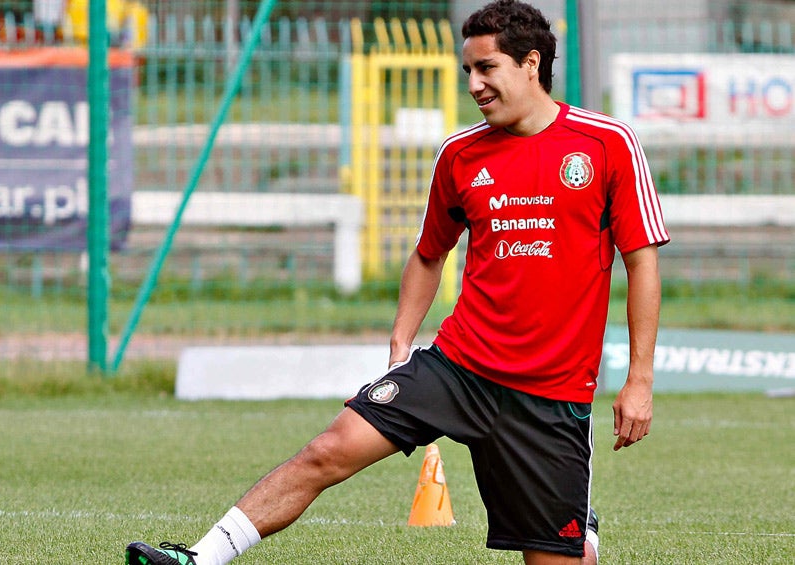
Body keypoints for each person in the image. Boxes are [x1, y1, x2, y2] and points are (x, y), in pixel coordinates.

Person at [126, 1, 670, 563]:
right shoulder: (459, 155)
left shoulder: (606, 144)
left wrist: (640, 380)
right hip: (460, 367)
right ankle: (199, 557)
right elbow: (429, 254)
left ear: (531, 64)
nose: (475, 85)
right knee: (328, 449)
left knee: (557, 557)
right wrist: (401, 342)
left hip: (550, 395)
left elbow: (642, 263)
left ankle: (579, 530)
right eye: (468, 72)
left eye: (487, 69)